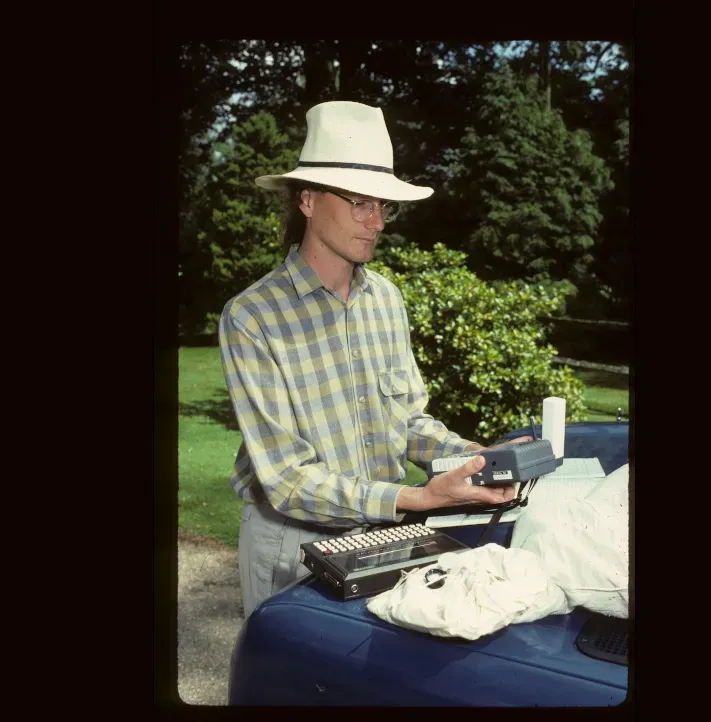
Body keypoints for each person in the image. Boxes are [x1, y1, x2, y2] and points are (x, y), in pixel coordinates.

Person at [218, 101, 531, 617]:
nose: (377, 221)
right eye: (361, 202)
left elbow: (406, 421)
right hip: (290, 549)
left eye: (384, 206)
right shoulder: (253, 317)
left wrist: (477, 458)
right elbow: (287, 480)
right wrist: (418, 498)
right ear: (308, 200)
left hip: (387, 534)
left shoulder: (386, 299)